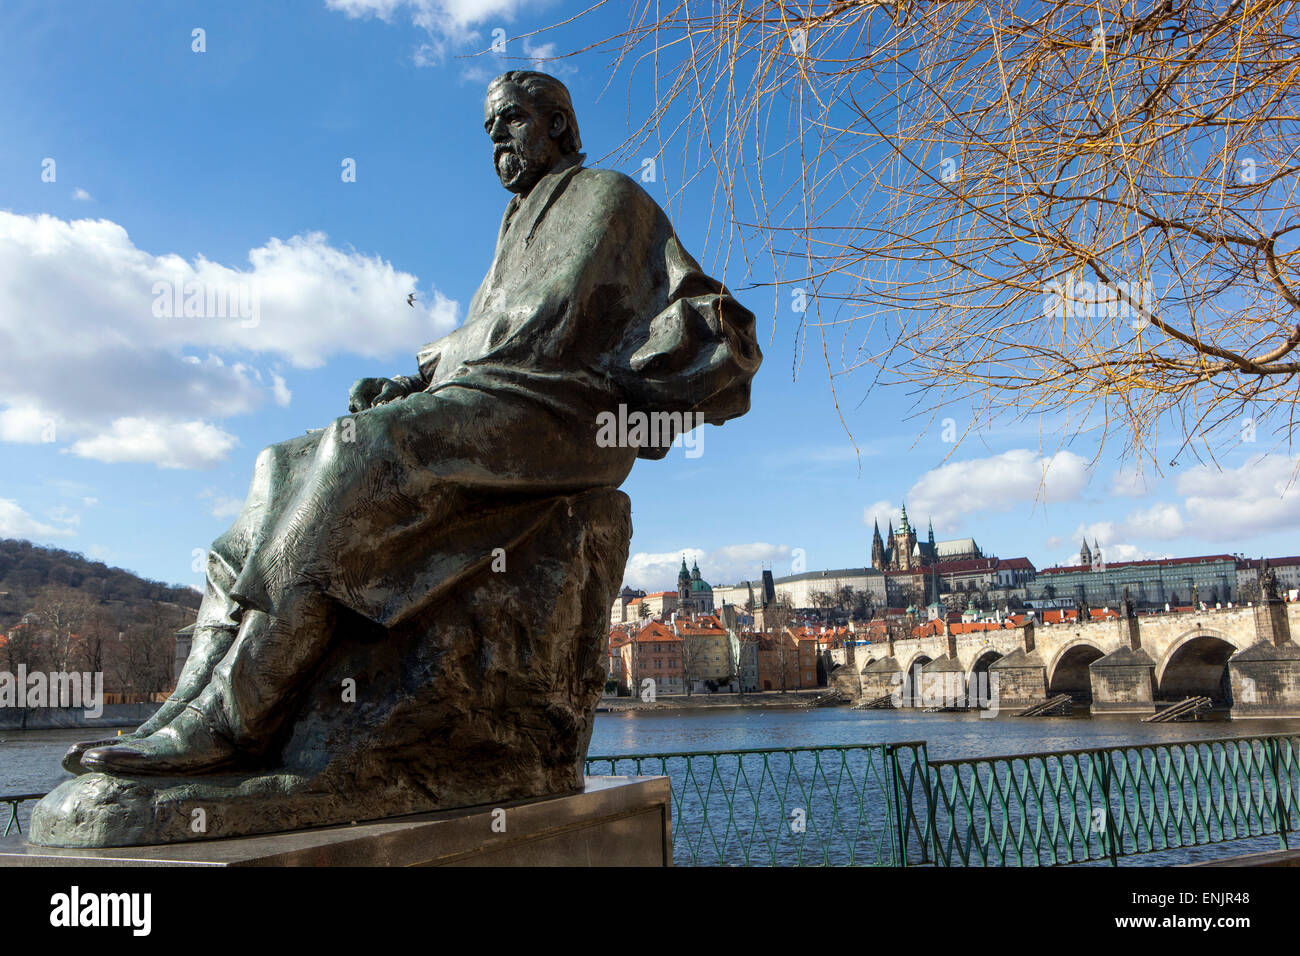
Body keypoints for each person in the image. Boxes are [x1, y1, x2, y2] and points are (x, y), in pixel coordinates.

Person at [63, 70, 761, 776]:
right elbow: (486, 331)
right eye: (489, 129)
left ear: (557, 124)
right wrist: (413, 380)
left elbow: (544, 323)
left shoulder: (610, 198)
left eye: (512, 120)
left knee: (356, 449)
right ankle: (187, 707)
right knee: (274, 465)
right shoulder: (515, 225)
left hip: (563, 415)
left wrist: (434, 371)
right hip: (497, 398)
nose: (497, 138)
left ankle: (235, 720)